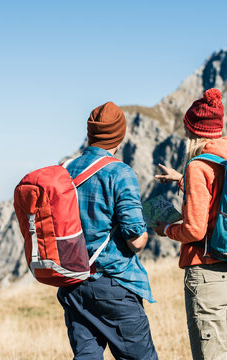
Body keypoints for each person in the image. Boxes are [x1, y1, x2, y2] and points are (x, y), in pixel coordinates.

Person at [57, 101, 158, 360]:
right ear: (120, 136)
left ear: (90, 133)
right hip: (114, 285)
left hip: (74, 285)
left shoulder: (65, 170)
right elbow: (135, 241)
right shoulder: (120, 172)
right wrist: (148, 226)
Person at [154, 88, 227, 360]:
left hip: (208, 279)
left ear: (193, 132)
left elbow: (195, 230)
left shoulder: (197, 166)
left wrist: (167, 229)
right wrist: (181, 181)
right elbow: (220, 197)